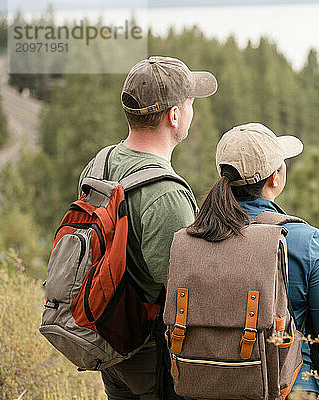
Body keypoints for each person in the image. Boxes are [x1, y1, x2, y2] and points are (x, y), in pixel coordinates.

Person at [77, 56, 217, 400]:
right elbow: (181, 291)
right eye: (189, 104)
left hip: (111, 339)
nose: (191, 112)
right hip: (150, 353)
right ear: (174, 115)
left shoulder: (101, 162)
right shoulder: (167, 195)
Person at [187, 123, 319, 398]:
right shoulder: (306, 242)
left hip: (206, 389)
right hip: (289, 389)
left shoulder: (195, 236)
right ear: (275, 179)